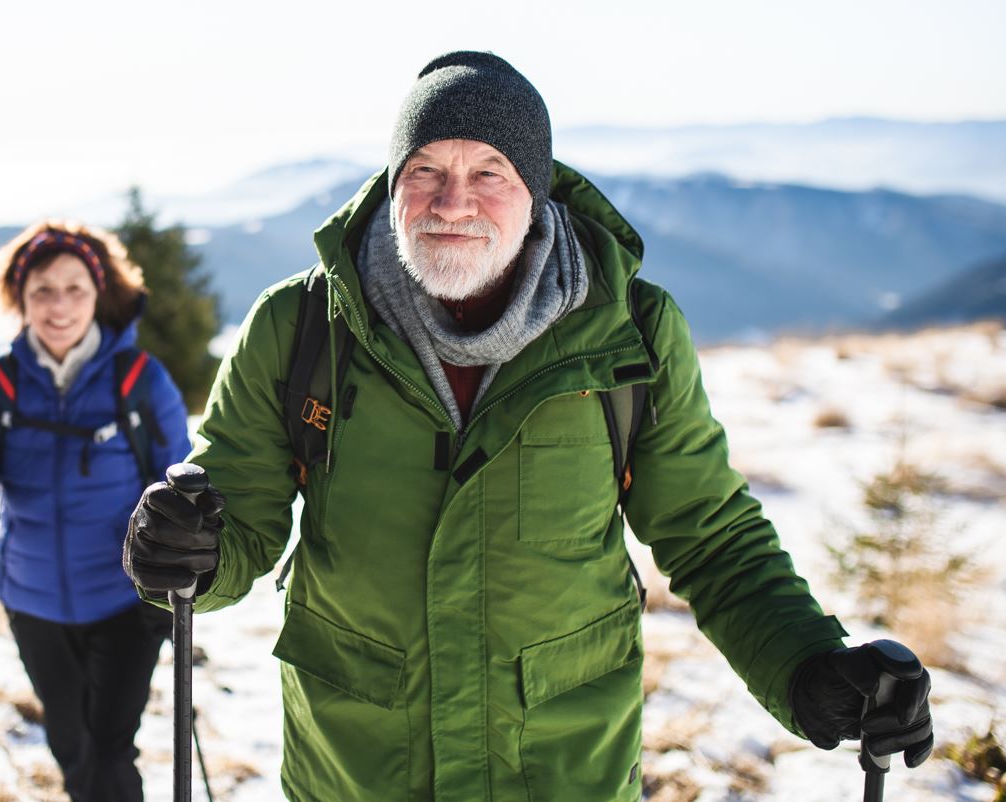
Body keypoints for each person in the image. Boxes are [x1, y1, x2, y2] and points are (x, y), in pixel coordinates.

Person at [123, 52, 934, 801]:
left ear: (537, 188)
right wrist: (189, 552)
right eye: (427, 169)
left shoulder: (631, 334)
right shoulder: (302, 325)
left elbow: (710, 535)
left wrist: (808, 666)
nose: (453, 201)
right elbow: (239, 513)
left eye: (491, 170)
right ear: (394, 178)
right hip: (358, 765)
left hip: (560, 766)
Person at [0, 219, 192, 802]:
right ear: (19, 298)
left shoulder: (141, 382)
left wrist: (180, 554)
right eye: (42, 289)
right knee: (71, 746)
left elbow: (179, 489)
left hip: (127, 601)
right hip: (33, 602)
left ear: (99, 294)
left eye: (75, 289)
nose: (59, 305)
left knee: (110, 749)